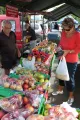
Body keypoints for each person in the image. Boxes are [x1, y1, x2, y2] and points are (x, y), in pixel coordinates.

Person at [52, 18, 80, 105]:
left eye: (67, 29)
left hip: (72, 60)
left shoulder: (77, 35)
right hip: (62, 58)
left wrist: (68, 51)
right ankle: (60, 90)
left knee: (69, 79)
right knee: (60, 75)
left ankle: (71, 96)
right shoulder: (63, 33)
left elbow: (78, 48)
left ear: (73, 27)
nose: (65, 31)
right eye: (64, 29)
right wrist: (58, 48)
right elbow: (61, 43)